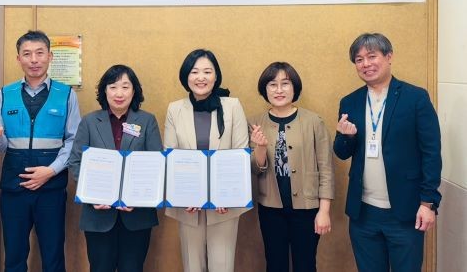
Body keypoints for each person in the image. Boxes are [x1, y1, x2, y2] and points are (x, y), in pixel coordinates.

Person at [334, 33, 442, 272]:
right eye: (359, 59)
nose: (366, 64)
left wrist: (428, 203)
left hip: (406, 211)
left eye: (372, 56)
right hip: (363, 213)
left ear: (389, 57)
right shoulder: (350, 102)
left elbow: (432, 153)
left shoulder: (415, 98)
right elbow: (342, 153)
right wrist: (345, 136)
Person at [0, 30, 81, 272]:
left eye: (40, 53)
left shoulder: (66, 94)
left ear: (50, 56)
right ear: (18, 58)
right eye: (27, 54)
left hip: (51, 188)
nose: (34, 60)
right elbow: (1, 146)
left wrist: (51, 171)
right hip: (13, 188)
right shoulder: (5, 94)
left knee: (53, 255)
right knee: (14, 256)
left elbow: (73, 140)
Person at [69, 64, 163, 272]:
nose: (119, 93)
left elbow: (157, 164)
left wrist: (138, 198)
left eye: (125, 87)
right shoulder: (90, 121)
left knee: (132, 268)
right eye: (113, 87)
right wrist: (92, 195)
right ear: (104, 91)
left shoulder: (147, 121)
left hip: (137, 216)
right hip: (98, 215)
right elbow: (75, 162)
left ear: (134, 91)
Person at [164, 49, 249, 272]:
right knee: (193, 266)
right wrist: (186, 194)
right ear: (186, 76)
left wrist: (225, 194)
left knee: (222, 266)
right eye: (194, 72)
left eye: (207, 71)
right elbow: (171, 157)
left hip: (224, 205)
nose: (200, 77)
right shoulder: (175, 109)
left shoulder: (232, 106)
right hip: (188, 205)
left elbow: (240, 154)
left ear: (216, 76)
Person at [248, 62, 334, 272]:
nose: (279, 90)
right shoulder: (255, 123)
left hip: (307, 208)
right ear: (264, 90)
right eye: (272, 84)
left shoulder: (314, 121)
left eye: (285, 84)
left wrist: (324, 211)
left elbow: (326, 169)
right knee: (275, 264)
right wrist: (260, 147)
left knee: (305, 264)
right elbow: (255, 169)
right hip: (270, 208)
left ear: (294, 87)